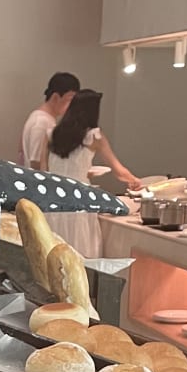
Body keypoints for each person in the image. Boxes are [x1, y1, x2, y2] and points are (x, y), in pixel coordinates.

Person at [43, 90, 139, 257]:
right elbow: (119, 171)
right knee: (80, 249)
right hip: (80, 198)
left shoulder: (51, 133)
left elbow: (44, 169)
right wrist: (135, 180)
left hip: (52, 196)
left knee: (52, 249)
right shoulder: (94, 136)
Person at [20, 72, 80, 169]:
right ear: (55, 97)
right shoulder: (41, 122)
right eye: (70, 99)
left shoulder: (42, 118)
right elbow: (36, 162)